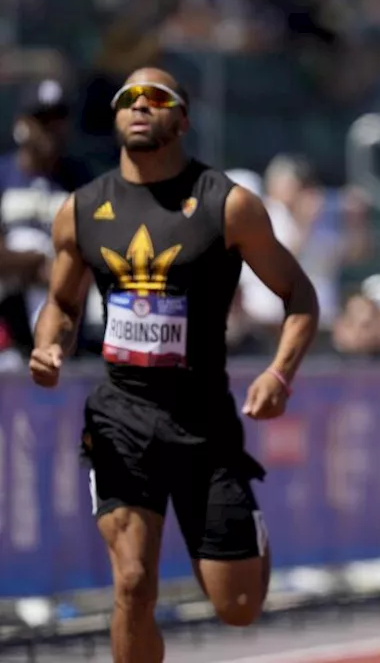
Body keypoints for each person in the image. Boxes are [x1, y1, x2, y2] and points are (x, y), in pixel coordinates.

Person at [27, 67, 319, 663]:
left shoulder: (227, 204)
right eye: (127, 99)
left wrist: (280, 373)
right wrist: (48, 344)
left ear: (181, 119)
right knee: (132, 582)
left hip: (203, 422)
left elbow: (300, 297)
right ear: (114, 118)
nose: (140, 106)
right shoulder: (81, 209)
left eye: (156, 98)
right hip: (120, 418)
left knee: (238, 607)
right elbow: (61, 302)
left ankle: (248, 541)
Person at [0, 79, 93, 367]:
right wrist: (37, 261)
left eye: (58, 120)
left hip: (62, 320)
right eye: (42, 120)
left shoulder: (80, 181)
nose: (51, 130)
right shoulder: (3, 175)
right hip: (7, 318)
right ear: (23, 124)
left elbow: (92, 255)